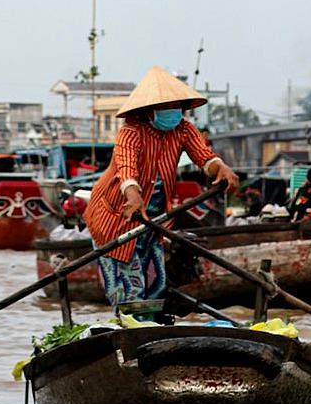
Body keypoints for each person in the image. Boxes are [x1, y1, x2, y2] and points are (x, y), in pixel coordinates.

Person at [83, 67, 239, 319]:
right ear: (148, 109)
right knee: (130, 287)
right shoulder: (131, 132)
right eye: (167, 105)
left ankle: (151, 329)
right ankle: (132, 330)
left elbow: (205, 158)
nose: (173, 110)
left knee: (156, 283)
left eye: (177, 105)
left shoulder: (184, 130)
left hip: (153, 221)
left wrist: (221, 168)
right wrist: (133, 195)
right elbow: (126, 169)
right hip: (115, 217)